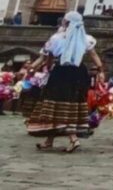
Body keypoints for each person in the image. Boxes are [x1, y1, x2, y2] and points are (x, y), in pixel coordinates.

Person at [26, 11, 103, 152]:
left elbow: (47, 58)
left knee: (57, 106)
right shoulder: (85, 39)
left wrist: (39, 68)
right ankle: (49, 141)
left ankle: (73, 139)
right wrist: (101, 71)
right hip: (79, 73)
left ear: (66, 23)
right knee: (70, 106)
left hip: (61, 73)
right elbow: (94, 56)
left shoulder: (57, 38)